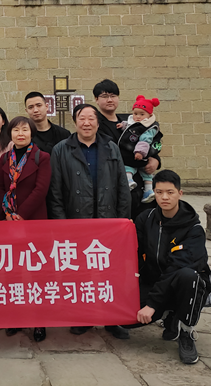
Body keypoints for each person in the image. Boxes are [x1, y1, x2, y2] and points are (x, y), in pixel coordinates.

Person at [48, 103, 131, 340]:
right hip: (77, 222)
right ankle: (83, 317)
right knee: (80, 274)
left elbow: (122, 186)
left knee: (110, 272)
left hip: (107, 221)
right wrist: (61, 224)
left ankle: (113, 318)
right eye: (81, 118)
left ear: (97, 122)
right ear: (75, 122)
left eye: (90, 118)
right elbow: (55, 192)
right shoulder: (61, 149)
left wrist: (123, 221)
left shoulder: (111, 147)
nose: (86, 123)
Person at [131, 170, 211, 365]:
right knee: (126, 320)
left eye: (170, 192)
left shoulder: (194, 230)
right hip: (155, 282)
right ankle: (169, 314)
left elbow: (177, 268)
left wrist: (152, 304)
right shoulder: (145, 219)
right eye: (159, 192)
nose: (164, 197)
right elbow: (134, 252)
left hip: (183, 283)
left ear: (180, 193)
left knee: (188, 276)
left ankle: (186, 331)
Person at [0, 116, 51, 342]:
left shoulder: (42, 157)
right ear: (10, 134)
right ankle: (15, 317)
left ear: (31, 133)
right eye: (16, 130)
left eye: (24, 130)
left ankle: (39, 321)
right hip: (8, 222)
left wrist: (21, 214)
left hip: (33, 221)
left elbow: (41, 189)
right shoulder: (4, 158)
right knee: (13, 272)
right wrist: (7, 212)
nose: (20, 134)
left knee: (35, 274)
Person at [93, 79, 160, 217]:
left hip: (141, 186)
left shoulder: (131, 119)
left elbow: (153, 139)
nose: (110, 100)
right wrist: (144, 160)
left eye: (113, 95)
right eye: (104, 96)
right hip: (117, 188)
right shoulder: (97, 125)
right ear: (96, 100)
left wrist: (156, 159)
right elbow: (115, 154)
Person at [118, 96, 163, 204]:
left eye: (142, 114)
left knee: (129, 167)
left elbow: (145, 141)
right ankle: (148, 191)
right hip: (138, 155)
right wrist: (122, 125)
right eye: (135, 114)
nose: (137, 117)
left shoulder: (149, 127)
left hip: (139, 154)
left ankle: (129, 180)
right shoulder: (136, 122)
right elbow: (130, 127)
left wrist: (140, 152)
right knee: (146, 174)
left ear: (149, 115)